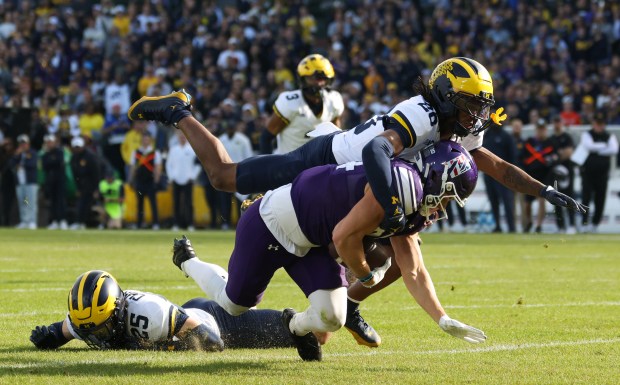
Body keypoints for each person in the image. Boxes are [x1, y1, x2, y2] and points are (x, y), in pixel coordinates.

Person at [128, 57, 585, 346]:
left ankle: (347, 306)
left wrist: (543, 189)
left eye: (481, 104)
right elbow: (374, 152)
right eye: (469, 102)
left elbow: (497, 167)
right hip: (329, 160)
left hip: (363, 183)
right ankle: (178, 111)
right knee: (224, 177)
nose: (477, 114)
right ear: (445, 96)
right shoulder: (421, 112)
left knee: (400, 258)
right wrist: (390, 205)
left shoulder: (464, 127)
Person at [170, 140, 486, 362]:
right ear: (435, 179)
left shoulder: (410, 197)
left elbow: (413, 269)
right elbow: (344, 237)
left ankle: (295, 327)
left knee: (334, 316)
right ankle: (189, 261)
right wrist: (364, 274)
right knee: (233, 305)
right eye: (446, 197)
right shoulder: (400, 188)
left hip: (312, 241)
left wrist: (442, 319)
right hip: (271, 223)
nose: (441, 208)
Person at [30, 270, 295, 351]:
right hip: (187, 314)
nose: (98, 335)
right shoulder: (88, 317)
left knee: (313, 333)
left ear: (118, 310)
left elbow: (213, 344)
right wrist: (48, 337)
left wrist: (152, 348)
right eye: (91, 330)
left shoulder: (149, 314)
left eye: (103, 327)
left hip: (219, 322)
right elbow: (62, 331)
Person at [266, 54, 344, 154]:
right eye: (313, 78)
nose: (319, 84)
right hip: (289, 165)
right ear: (302, 79)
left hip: (319, 166)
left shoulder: (334, 100)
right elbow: (266, 138)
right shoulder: (289, 102)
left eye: (322, 79)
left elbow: (337, 136)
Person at [576, 113, 619, 233]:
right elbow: (588, 146)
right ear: (593, 124)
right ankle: (584, 223)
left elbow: (614, 149)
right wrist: (604, 147)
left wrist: (596, 148)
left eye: (601, 124)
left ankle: (595, 224)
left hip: (602, 174)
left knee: (600, 199)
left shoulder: (609, 136)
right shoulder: (587, 134)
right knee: (586, 198)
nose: (599, 126)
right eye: (597, 124)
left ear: (604, 125)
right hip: (588, 173)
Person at [482, 118, 517, 233]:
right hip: (488, 174)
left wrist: (510, 174)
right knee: (493, 201)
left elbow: (513, 156)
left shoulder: (506, 136)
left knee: (507, 201)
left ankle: (512, 227)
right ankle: (497, 225)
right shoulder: (486, 135)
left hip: (503, 175)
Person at [519, 119, 554, 233]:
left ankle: (539, 225)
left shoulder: (550, 143)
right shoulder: (529, 142)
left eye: (543, 129)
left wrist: (552, 159)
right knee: (527, 202)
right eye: (539, 129)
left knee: (541, 200)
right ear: (536, 130)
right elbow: (522, 157)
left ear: (546, 130)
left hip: (544, 175)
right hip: (530, 174)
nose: (541, 132)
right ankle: (529, 222)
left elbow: (555, 157)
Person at [166, 131, 200, 231]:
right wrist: (172, 177)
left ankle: (190, 224)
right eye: (180, 136)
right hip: (176, 179)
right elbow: (169, 164)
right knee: (176, 203)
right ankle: (176, 224)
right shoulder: (174, 150)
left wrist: (192, 176)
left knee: (189, 203)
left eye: (184, 136)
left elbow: (197, 165)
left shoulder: (192, 149)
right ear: (177, 137)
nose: (182, 138)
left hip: (188, 179)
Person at [128, 131, 161, 230]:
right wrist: (131, 179)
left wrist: (156, 180)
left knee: (153, 203)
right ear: (141, 140)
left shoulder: (155, 153)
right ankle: (139, 223)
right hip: (140, 180)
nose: (145, 141)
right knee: (139, 203)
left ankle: (156, 223)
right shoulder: (136, 152)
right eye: (144, 139)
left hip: (150, 180)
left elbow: (158, 168)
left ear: (150, 140)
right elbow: (133, 167)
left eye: (147, 139)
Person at [549, 116, 576, 234]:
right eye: (555, 121)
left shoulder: (567, 137)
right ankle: (560, 225)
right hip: (554, 172)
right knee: (555, 198)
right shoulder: (551, 139)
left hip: (567, 171)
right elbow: (549, 155)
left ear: (562, 123)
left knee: (569, 197)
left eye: (558, 121)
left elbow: (569, 153)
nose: (557, 124)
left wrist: (558, 155)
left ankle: (572, 224)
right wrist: (561, 153)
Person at [69, 136, 100, 230]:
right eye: (75, 147)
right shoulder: (74, 157)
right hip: (81, 183)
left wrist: (96, 188)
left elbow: (96, 173)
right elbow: (75, 174)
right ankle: (80, 222)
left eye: (78, 147)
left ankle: (82, 222)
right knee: (81, 204)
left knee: (85, 204)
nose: (77, 149)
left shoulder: (90, 156)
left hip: (90, 183)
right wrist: (78, 187)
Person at [10, 134, 39, 229]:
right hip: (21, 182)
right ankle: (24, 220)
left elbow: (33, 164)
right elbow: (11, 165)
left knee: (31, 202)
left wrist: (22, 165)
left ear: (28, 143)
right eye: (21, 143)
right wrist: (15, 155)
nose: (23, 145)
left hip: (30, 182)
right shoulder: (18, 154)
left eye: (24, 143)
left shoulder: (32, 153)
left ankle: (32, 221)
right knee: (24, 202)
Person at [41, 134, 68, 230]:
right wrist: (52, 161)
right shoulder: (45, 154)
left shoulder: (59, 152)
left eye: (51, 142)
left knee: (61, 201)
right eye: (47, 142)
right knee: (52, 202)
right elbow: (45, 166)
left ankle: (63, 220)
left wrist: (51, 162)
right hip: (50, 181)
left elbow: (58, 162)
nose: (49, 144)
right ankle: (55, 221)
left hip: (60, 180)